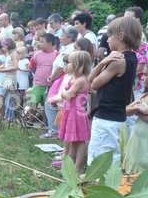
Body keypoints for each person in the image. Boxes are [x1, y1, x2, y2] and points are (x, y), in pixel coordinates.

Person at [88, 16, 142, 165]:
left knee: (99, 163)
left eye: (110, 36)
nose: (107, 40)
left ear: (121, 36)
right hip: (118, 117)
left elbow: (92, 83)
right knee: (114, 161)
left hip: (107, 119)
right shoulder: (132, 57)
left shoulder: (117, 61)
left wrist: (102, 63)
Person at [50, 51, 92, 173]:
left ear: (78, 65)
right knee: (72, 139)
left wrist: (62, 92)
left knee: (79, 140)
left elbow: (68, 95)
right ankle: (70, 166)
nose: (67, 65)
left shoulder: (81, 80)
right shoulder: (74, 79)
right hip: (71, 112)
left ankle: (78, 167)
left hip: (77, 114)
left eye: (69, 63)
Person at [124, 65, 148, 173]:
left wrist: (141, 112)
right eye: (143, 75)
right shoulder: (145, 95)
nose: (143, 78)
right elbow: (126, 111)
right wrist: (138, 109)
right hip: (137, 144)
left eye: (146, 75)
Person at [28, 33, 58, 107]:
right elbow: (31, 66)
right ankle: (29, 118)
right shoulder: (37, 54)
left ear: (50, 43)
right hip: (38, 84)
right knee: (32, 104)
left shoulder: (57, 55)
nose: (39, 44)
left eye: (42, 42)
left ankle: (44, 119)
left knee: (46, 106)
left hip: (51, 86)